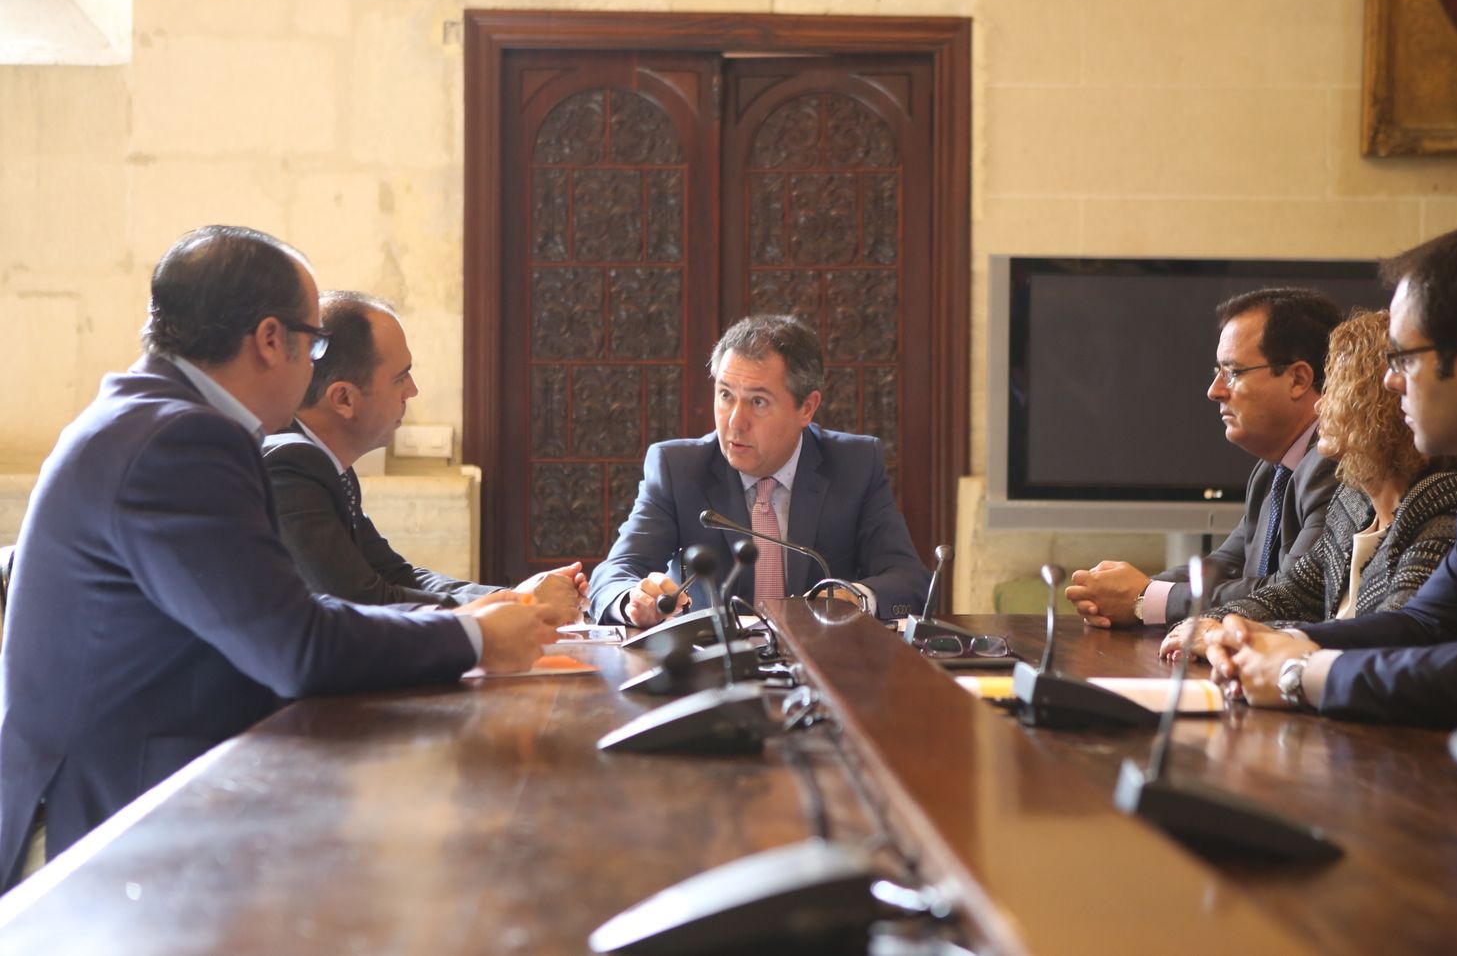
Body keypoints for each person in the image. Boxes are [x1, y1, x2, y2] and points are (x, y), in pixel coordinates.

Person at [0, 226, 568, 889]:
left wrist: (474, 615)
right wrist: (474, 636)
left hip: (145, 796)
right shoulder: (180, 440)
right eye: (315, 343)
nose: (314, 368)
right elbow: (295, 646)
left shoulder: (154, 415)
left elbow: (287, 614)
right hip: (108, 826)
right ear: (272, 340)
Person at [1206, 219, 1457, 743]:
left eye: (1403, 359)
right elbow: (1423, 623)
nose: (1389, 381)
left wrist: (1301, 674)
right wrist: (1280, 641)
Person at [1160, 309, 1457, 660]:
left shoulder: (1444, 505)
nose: (1321, 403)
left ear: (1380, 404)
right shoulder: (1352, 502)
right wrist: (1213, 624)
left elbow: (1393, 632)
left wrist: (1243, 635)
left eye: (1336, 386)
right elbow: (1289, 594)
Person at [588, 314, 930, 627]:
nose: (735, 422)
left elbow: (910, 581)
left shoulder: (854, 465)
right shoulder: (678, 469)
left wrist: (853, 596)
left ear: (806, 408)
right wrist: (632, 600)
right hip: (711, 673)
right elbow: (614, 573)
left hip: (826, 669)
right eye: (725, 395)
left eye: (758, 402)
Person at [264, 291, 585, 609]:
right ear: (344, 399)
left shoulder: (327, 464)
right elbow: (364, 602)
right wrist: (520, 606)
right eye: (400, 378)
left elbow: (397, 576)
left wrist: (515, 597)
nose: (413, 390)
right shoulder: (290, 467)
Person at [1067, 288, 1343, 629]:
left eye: (1233, 372)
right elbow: (1223, 565)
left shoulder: (1333, 462)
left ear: (1298, 379)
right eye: (1218, 371)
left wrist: (1145, 598)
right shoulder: (1272, 471)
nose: (1214, 390)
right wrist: (1122, 590)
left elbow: (1292, 596)